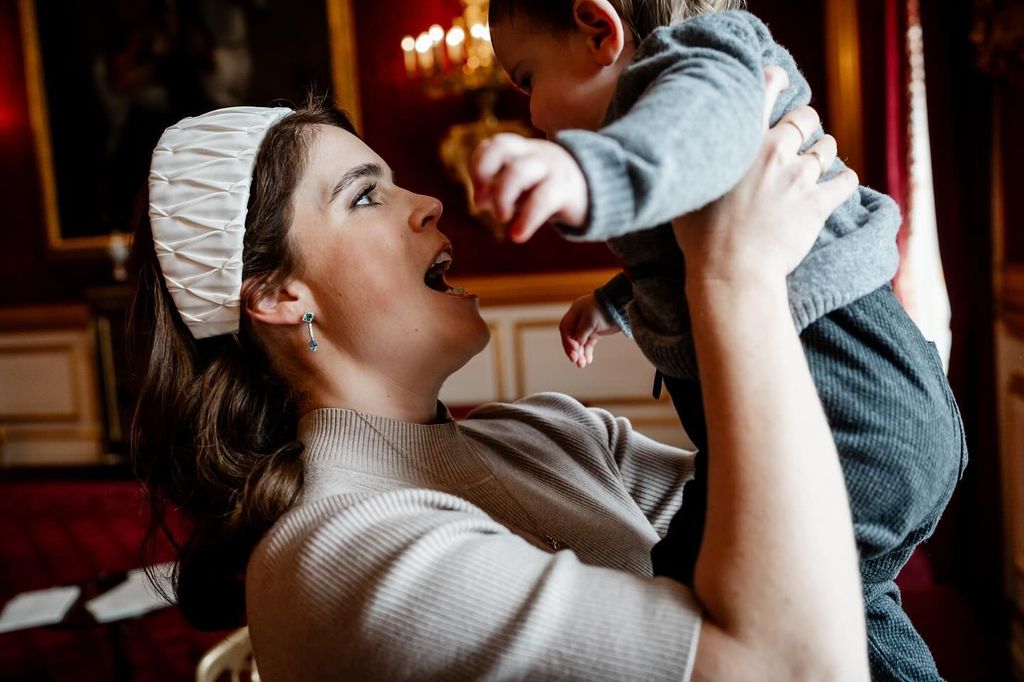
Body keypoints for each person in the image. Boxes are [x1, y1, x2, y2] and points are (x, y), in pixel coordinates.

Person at [131, 85, 866, 679]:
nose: (428, 201)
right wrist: (735, 277)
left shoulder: (559, 432)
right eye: (363, 196)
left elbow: (838, 536)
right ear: (279, 297)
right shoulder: (338, 552)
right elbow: (797, 665)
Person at [469, 1, 967, 677]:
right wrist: (614, 302)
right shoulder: (669, 115)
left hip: (854, 418)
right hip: (886, 415)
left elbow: (703, 130)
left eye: (528, 78)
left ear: (598, 29)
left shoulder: (707, 58)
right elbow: (684, 254)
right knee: (850, 607)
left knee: (690, 583)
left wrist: (587, 175)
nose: (533, 114)